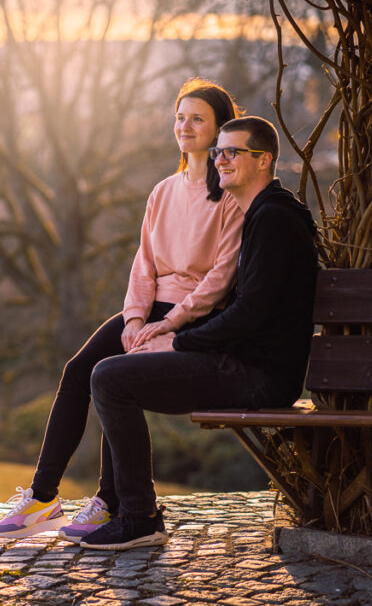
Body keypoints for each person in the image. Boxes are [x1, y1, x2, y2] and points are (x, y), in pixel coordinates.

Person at [0, 78, 245, 541]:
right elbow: (143, 264)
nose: (185, 126)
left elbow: (220, 279)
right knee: (78, 370)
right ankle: (43, 497)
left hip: (194, 319)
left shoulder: (229, 197)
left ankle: (111, 503)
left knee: (116, 376)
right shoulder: (163, 191)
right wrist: (133, 319)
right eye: (180, 117)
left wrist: (168, 324)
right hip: (148, 310)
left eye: (197, 119)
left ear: (219, 129)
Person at [78, 115, 319, 550]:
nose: (220, 160)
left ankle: (138, 518)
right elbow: (248, 311)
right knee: (116, 370)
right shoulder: (262, 214)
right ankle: (134, 512)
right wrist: (165, 333)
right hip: (242, 364)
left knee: (109, 378)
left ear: (263, 160)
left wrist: (181, 339)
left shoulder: (274, 220)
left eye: (233, 152)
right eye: (218, 151)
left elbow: (252, 313)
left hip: (258, 377)